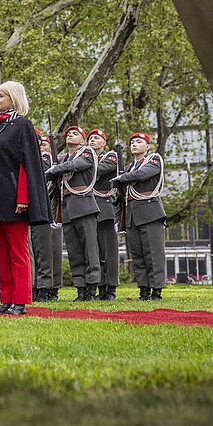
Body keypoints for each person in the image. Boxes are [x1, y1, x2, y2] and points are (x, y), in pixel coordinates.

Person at [0, 80, 51, 316]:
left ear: (14, 98)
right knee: (2, 254)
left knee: (18, 253)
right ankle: (6, 299)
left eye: (2, 95)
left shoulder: (22, 126)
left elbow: (28, 165)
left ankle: (20, 301)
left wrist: (24, 198)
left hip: (14, 199)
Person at [46, 126, 102, 301]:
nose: (70, 135)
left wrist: (55, 169)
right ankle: (81, 288)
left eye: (75, 133)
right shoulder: (63, 158)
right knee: (74, 251)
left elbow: (77, 165)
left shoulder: (87, 153)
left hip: (83, 203)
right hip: (67, 206)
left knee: (89, 250)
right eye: (68, 133)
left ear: (83, 140)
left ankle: (92, 288)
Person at [110, 132, 167, 301]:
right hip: (132, 215)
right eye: (132, 142)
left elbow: (142, 175)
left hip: (150, 213)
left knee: (153, 255)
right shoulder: (128, 167)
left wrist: (121, 178)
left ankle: (156, 290)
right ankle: (144, 289)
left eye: (139, 142)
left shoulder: (154, 160)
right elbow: (121, 196)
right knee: (138, 255)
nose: (134, 144)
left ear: (148, 146)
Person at [89, 129, 121, 300]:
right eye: (90, 138)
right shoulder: (87, 158)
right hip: (91, 206)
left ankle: (111, 288)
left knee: (109, 251)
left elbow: (101, 169)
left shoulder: (111, 156)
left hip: (105, 206)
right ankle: (100, 286)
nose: (92, 140)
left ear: (104, 143)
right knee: (96, 252)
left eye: (96, 138)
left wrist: (85, 165)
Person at [30, 132, 62, 301]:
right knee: (33, 252)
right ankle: (34, 286)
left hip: (46, 207)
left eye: (43, 143)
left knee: (46, 252)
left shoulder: (45, 159)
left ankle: (46, 288)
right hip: (30, 207)